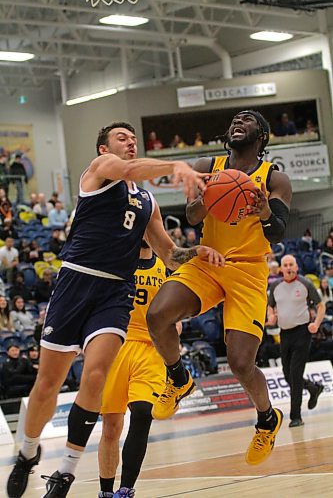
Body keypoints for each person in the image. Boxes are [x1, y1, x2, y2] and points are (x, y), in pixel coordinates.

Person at [6, 121, 222, 498]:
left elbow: (170, 255)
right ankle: (27, 453)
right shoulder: (100, 170)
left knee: (95, 375)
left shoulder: (147, 202)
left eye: (133, 139)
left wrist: (197, 252)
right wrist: (177, 167)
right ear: (104, 149)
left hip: (115, 291)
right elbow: (129, 170)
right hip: (76, 281)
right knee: (47, 385)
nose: (131, 143)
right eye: (122, 138)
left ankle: (67, 470)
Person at [147, 109, 292, 466]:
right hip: (209, 260)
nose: (238, 121)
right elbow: (193, 217)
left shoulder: (275, 178)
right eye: (235, 120)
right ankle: (179, 379)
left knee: (241, 364)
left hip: (249, 270)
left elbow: (278, 232)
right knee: (157, 314)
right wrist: (208, 195)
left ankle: (267, 420)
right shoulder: (207, 163)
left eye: (248, 119)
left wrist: (264, 213)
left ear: (262, 135)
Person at [98, 240, 179, 498]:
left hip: (151, 347)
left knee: (143, 412)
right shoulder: (118, 261)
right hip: (117, 344)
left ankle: (126, 489)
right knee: (111, 425)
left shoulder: (165, 268)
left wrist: (176, 323)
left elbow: (176, 306)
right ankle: (106, 492)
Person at [267, 254, 325, 427]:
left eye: (291, 264)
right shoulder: (275, 286)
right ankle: (313, 388)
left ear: (296, 267)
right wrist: (271, 316)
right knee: (287, 375)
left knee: (295, 373)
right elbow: (270, 305)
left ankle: (296, 417)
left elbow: (320, 305)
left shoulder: (305, 283)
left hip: (302, 332)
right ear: (281, 269)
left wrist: (316, 323)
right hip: (285, 333)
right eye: (285, 265)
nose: (289, 267)